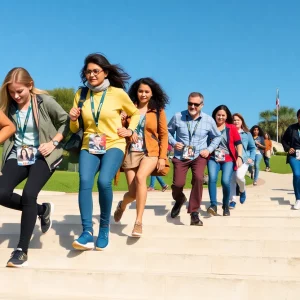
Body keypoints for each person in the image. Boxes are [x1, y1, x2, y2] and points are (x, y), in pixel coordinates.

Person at [69, 53, 140, 250]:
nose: (91, 75)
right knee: (84, 181)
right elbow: (74, 129)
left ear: (105, 72)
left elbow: (135, 114)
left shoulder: (117, 93)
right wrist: (73, 119)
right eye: (88, 72)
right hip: (89, 144)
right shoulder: (81, 95)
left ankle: (104, 228)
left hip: (114, 143)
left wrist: (130, 130)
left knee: (103, 181)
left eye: (96, 71)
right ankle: (86, 232)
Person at [0, 67, 69, 267]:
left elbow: (67, 121)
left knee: (29, 194)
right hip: (17, 155)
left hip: (43, 156)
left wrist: (54, 142)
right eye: (12, 92)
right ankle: (42, 210)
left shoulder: (44, 102)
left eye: (19, 91)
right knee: (1, 192)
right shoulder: (8, 107)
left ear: (30, 85)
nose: (16, 96)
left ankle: (21, 250)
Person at [113, 77, 169, 237]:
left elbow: (164, 135)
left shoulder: (158, 110)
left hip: (150, 152)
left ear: (152, 94)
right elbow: (117, 130)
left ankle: (138, 222)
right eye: (140, 91)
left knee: (141, 177)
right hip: (131, 152)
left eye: (147, 91)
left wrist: (162, 157)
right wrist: (123, 121)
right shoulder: (127, 109)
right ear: (135, 92)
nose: (143, 94)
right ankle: (122, 205)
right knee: (132, 193)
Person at [168, 92, 221, 226]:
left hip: (199, 156)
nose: (192, 106)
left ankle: (194, 212)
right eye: (190, 103)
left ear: (201, 105)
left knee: (198, 178)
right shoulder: (177, 116)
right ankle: (179, 200)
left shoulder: (208, 120)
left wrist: (208, 150)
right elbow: (167, 131)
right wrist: (174, 143)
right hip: (181, 155)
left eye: (196, 104)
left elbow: (217, 136)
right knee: (177, 184)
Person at [207, 105, 242, 216]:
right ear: (215, 115)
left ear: (226, 117)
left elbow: (238, 143)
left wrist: (239, 157)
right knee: (212, 179)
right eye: (218, 115)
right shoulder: (210, 127)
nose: (220, 117)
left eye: (223, 115)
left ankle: (225, 205)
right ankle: (213, 205)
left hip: (228, 159)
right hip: (213, 158)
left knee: (225, 181)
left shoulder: (231, 128)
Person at [229, 113, 256, 208]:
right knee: (231, 180)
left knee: (239, 177)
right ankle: (232, 200)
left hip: (243, 159)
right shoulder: (228, 132)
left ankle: (242, 190)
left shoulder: (247, 134)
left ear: (241, 122)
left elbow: (252, 148)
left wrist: (251, 158)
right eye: (234, 120)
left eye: (238, 120)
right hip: (230, 159)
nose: (236, 122)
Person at [282, 109, 300, 209]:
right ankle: (298, 199)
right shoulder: (292, 128)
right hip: (294, 156)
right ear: (298, 117)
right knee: (297, 174)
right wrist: (289, 148)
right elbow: (284, 140)